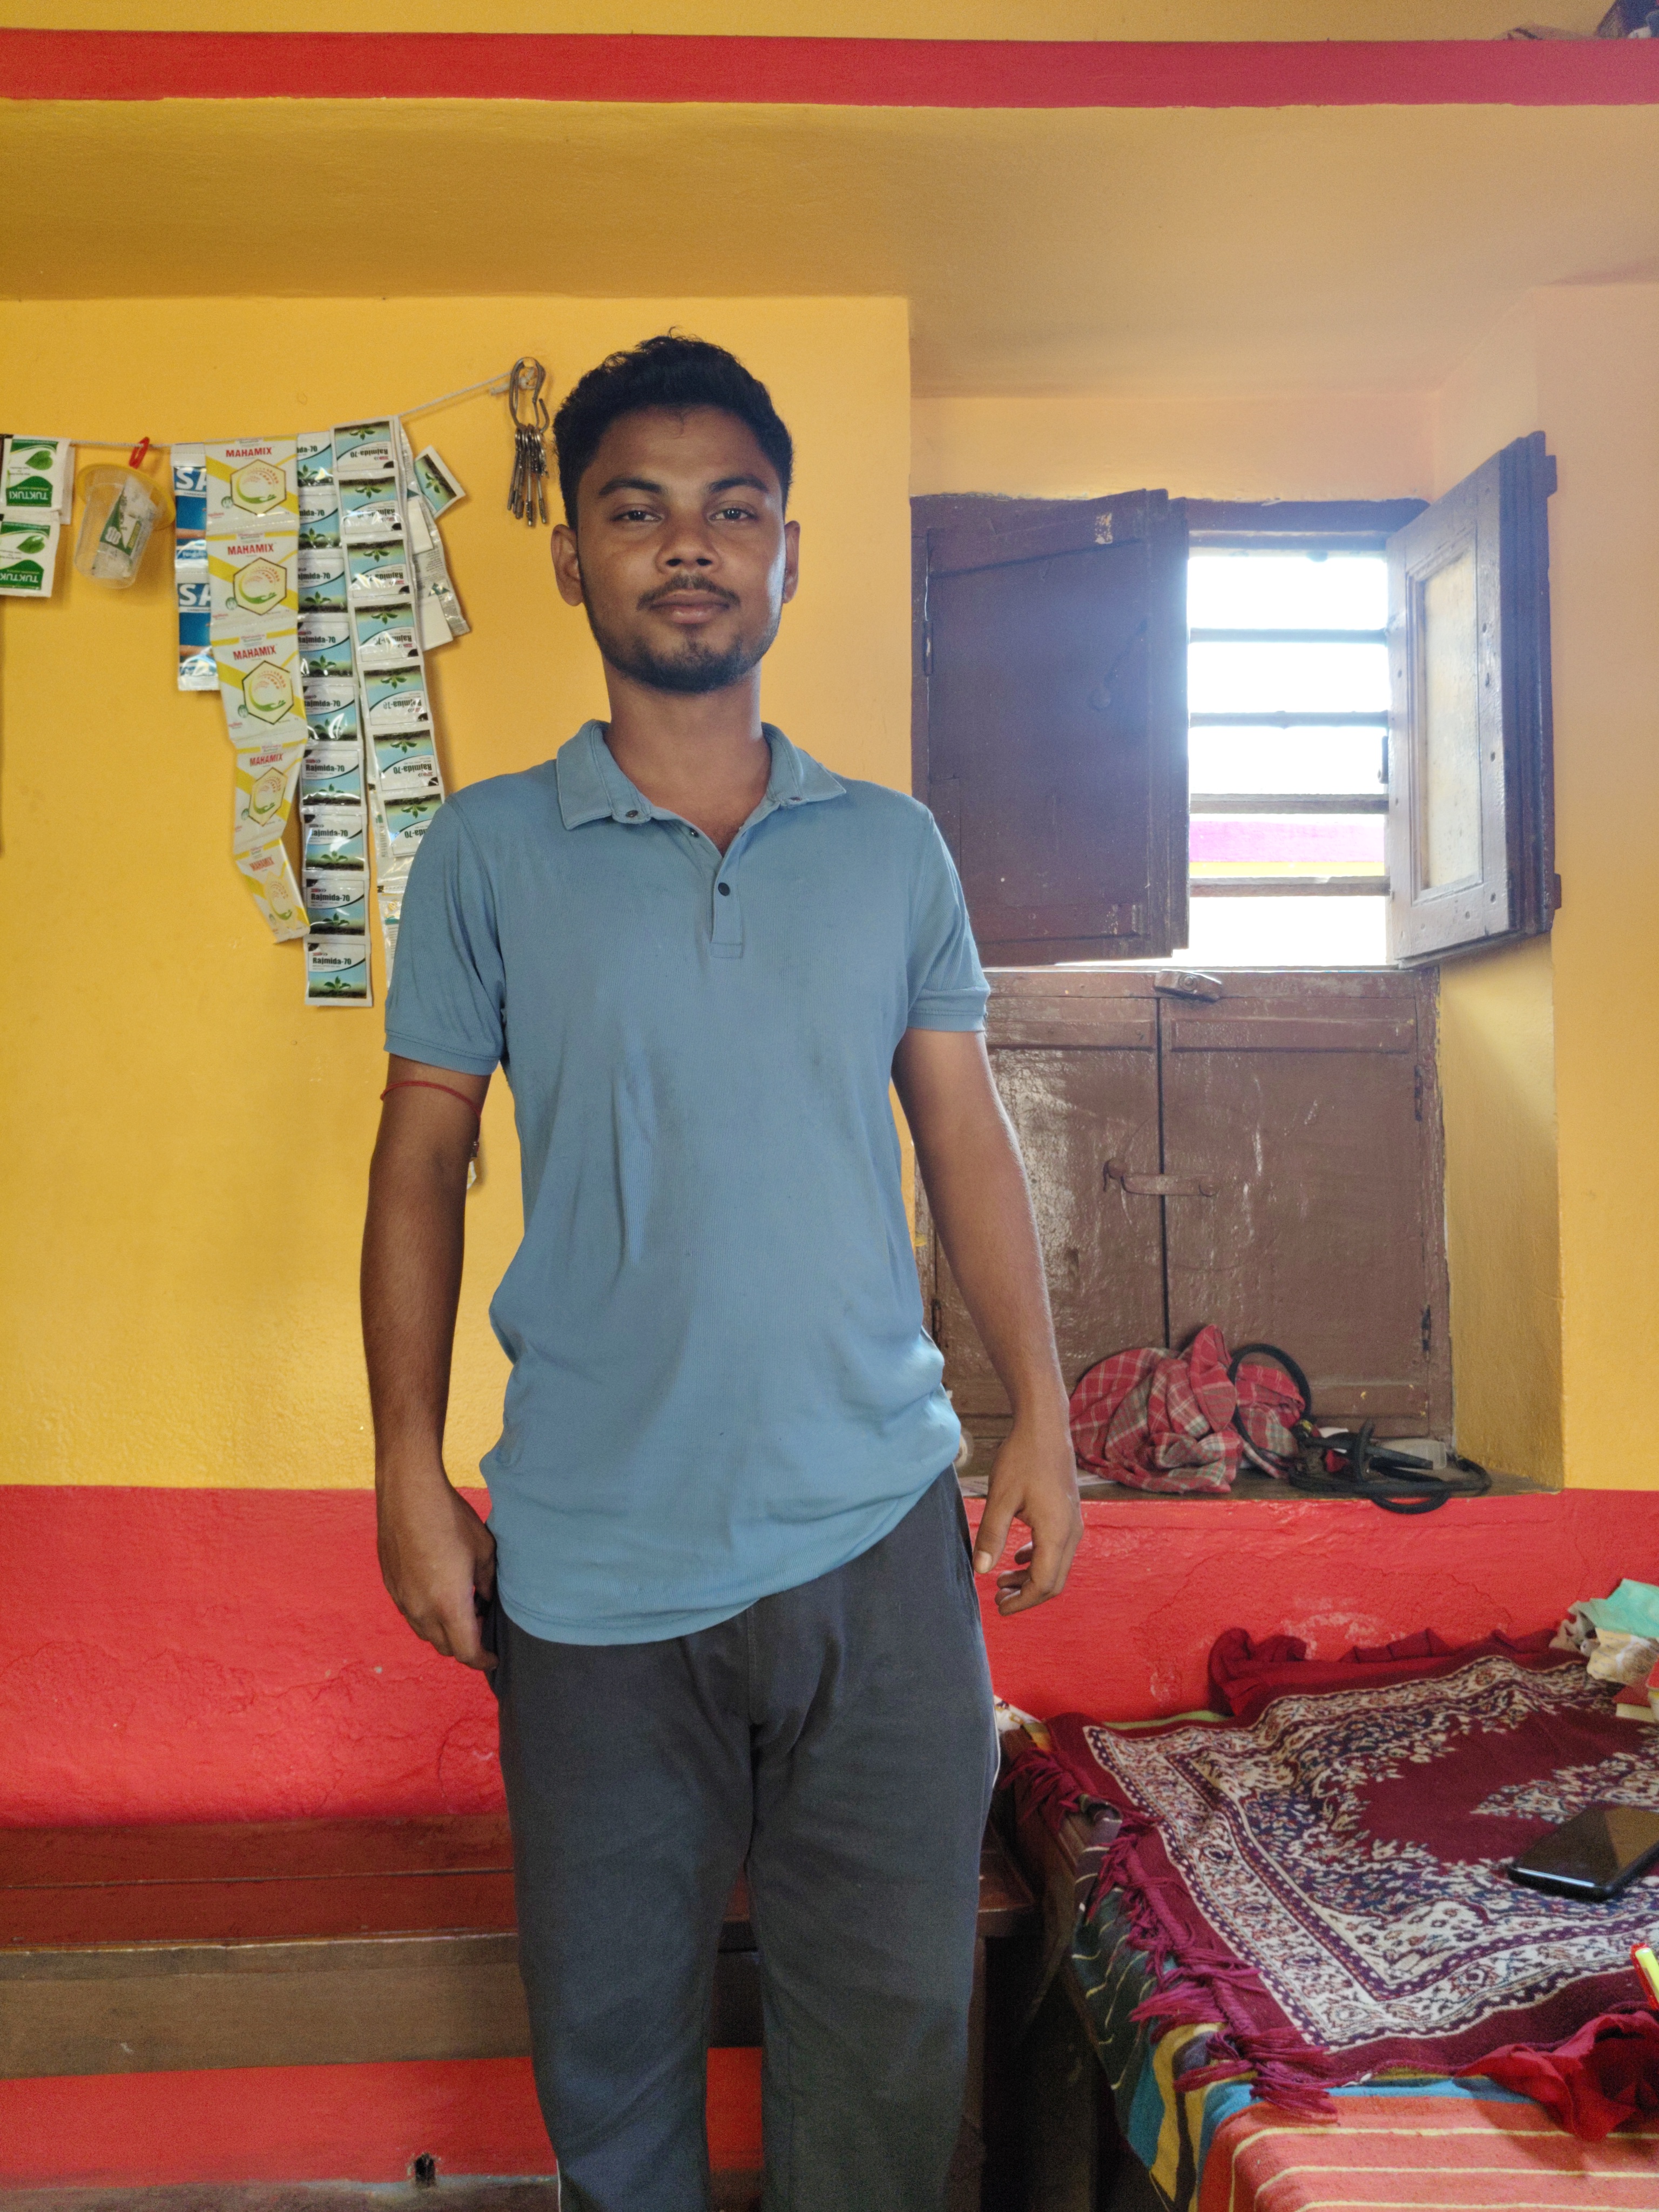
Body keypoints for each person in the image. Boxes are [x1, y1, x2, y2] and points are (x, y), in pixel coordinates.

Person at [361, 334, 1081, 2212]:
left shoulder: (892, 849)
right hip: (592, 1564)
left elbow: (964, 1137)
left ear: (786, 553)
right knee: (612, 2068)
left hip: (877, 1542)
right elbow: (422, 1155)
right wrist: (405, 1471)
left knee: (888, 2055)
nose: (689, 545)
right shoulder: (486, 851)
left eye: (732, 510)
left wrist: (1043, 1414)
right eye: (638, 509)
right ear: (572, 556)